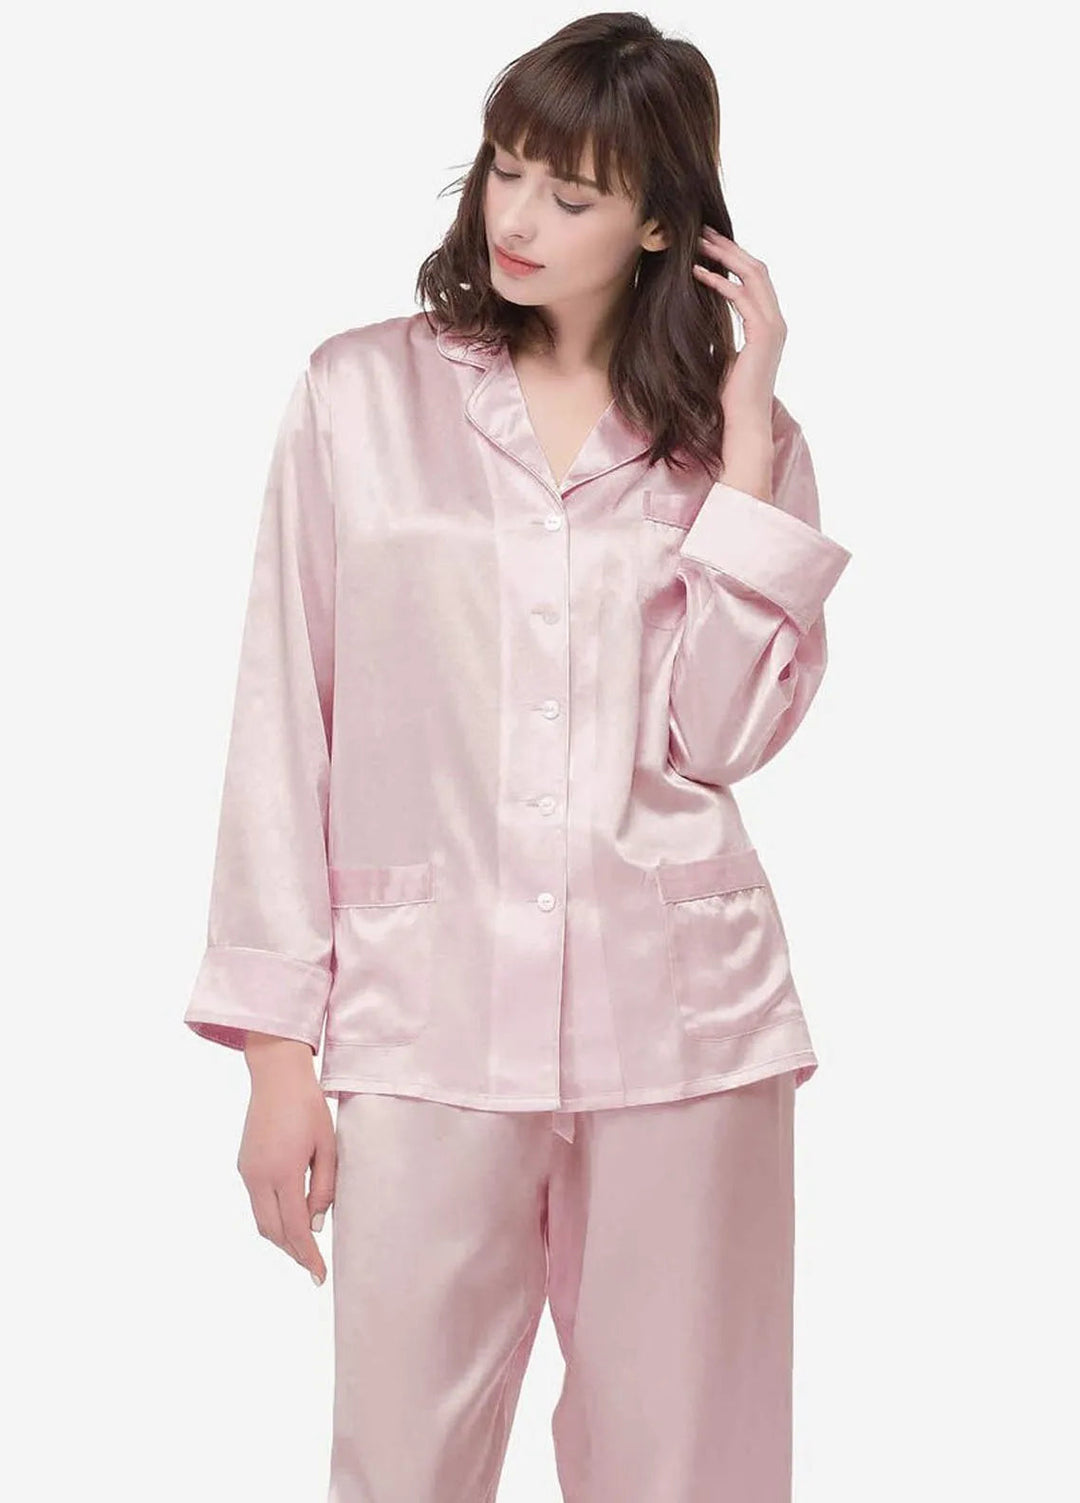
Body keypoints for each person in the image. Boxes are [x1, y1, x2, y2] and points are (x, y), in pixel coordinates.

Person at [183, 12, 853, 1501]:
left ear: (662, 222)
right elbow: (284, 715)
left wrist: (745, 432)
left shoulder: (737, 447)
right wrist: (279, 1057)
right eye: (506, 170)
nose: (520, 218)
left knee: (688, 1469)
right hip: (425, 1017)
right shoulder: (359, 395)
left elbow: (722, 735)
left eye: (572, 192)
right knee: (402, 1464)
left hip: (682, 1025)